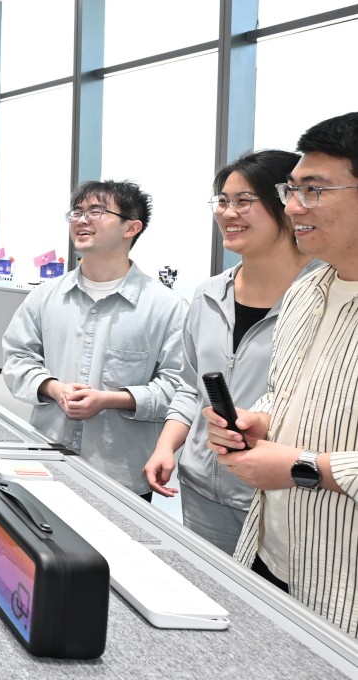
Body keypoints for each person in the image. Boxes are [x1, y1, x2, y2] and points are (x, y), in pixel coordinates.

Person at [205, 112, 358, 637]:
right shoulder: (307, 294)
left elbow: (304, 463)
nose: (293, 206)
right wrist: (259, 421)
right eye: (291, 189)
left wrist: (303, 468)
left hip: (344, 591)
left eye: (313, 191)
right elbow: (287, 391)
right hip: (271, 557)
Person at [143, 151, 320, 555]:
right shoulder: (208, 296)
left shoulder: (322, 299)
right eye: (223, 201)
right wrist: (166, 446)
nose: (228, 213)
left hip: (285, 495)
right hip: (204, 489)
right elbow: (191, 388)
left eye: (244, 201)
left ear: (285, 204)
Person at [2, 180, 186, 500]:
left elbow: (180, 388)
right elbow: (17, 357)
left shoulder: (166, 307)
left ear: (131, 227)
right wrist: (53, 388)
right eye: (77, 212)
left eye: (96, 212)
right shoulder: (46, 296)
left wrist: (112, 399)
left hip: (121, 473)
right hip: (48, 457)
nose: (82, 220)